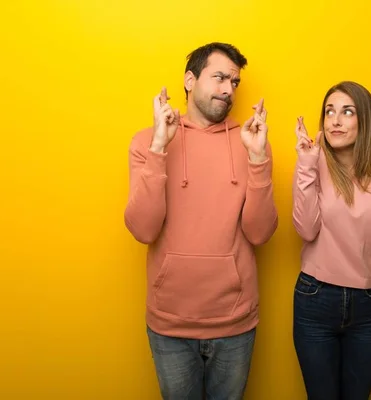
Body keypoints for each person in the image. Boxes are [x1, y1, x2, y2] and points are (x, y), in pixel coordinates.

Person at [123, 42, 278, 400]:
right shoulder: (146, 141)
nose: (229, 90)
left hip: (235, 322)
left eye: (235, 82)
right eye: (220, 77)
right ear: (189, 80)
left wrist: (258, 161)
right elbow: (143, 229)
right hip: (170, 324)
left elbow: (260, 233)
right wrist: (160, 148)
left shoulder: (252, 142)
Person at [291, 81, 371, 399]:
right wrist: (306, 166)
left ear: (366, 121)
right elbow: (306, 230)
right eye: (329, 111)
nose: (335, 120)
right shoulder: (314, 161)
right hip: (316, 299)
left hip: (368, 305)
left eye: (348, 112)